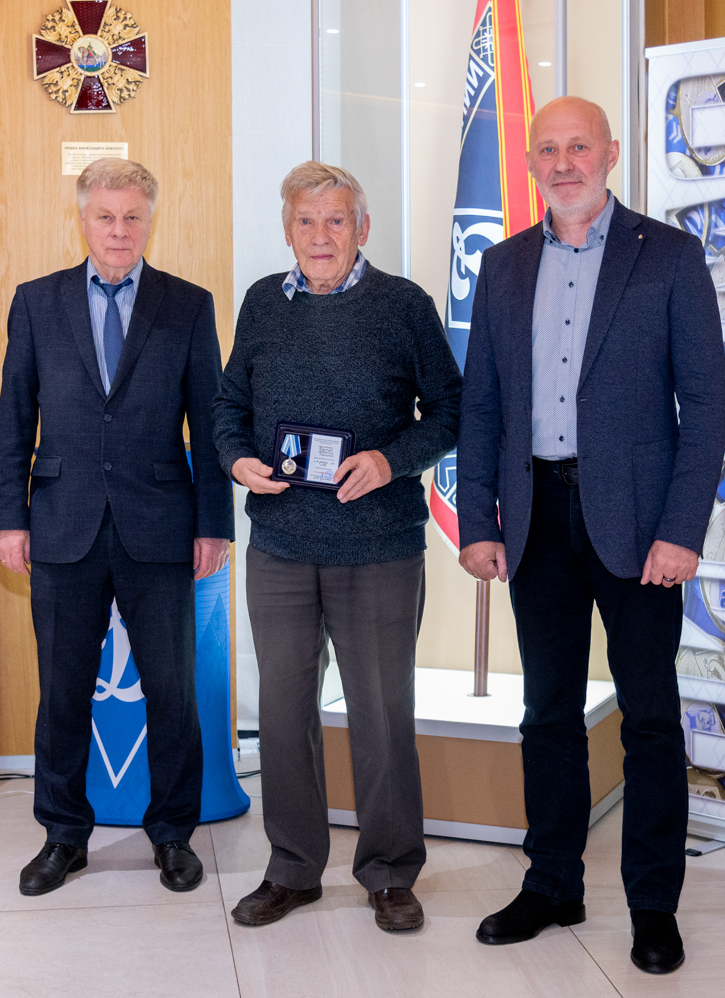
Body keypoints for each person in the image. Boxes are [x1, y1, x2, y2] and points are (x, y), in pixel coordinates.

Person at [456, 97, 725, 972]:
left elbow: (706, 406)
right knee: (548, 714)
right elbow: (481, 406)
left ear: (610, 153)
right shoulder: (502, 265)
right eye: (548, 149)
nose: (563, 162)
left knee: (649, 718)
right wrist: (478, 519)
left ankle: (653, 904)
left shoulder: (670, 256)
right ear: (531, 163)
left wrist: (682, 530)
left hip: (642, 527)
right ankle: (552, 884)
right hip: (535, 518)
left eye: (579, 146)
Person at [214, 161, 461, 933]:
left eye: (336, 220)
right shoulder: (263, 302)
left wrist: (392, 460)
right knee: (283, 715)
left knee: (381, 715)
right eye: (305, 221)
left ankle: (389, 874)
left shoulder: (404, 305)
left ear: (362, 228)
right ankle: (293, 870)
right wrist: (237, 460)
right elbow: (228, 406)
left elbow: (450, 410)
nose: (320, 236)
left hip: (379, 548)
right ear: (288, 229)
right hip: (280, 545)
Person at [0, 157, 234, 897]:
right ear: (83, 220)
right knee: (61, 693)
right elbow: (14, 418)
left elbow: (210, 424)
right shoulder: (37, 301)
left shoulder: (188, 305)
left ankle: (173, 834)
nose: (119, 230)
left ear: (150, 221)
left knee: (172, 693)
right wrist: (7, 519)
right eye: (106, 216)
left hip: (161, 526)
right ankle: (63, 835)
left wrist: (214, 524)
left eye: (133, 217)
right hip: (61, 526)